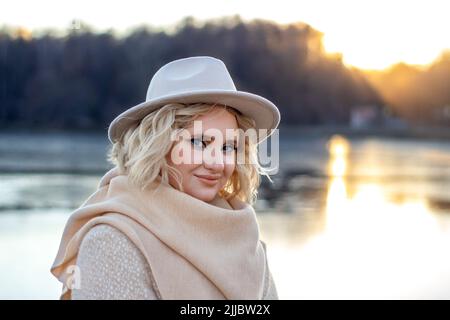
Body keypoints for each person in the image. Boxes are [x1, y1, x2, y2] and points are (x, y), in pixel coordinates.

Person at [50, 56, 281, 300]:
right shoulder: (113, 241)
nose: (217, 163)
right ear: (156, 145)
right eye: (199, 142)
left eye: (229, 147)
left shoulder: (243, 237)